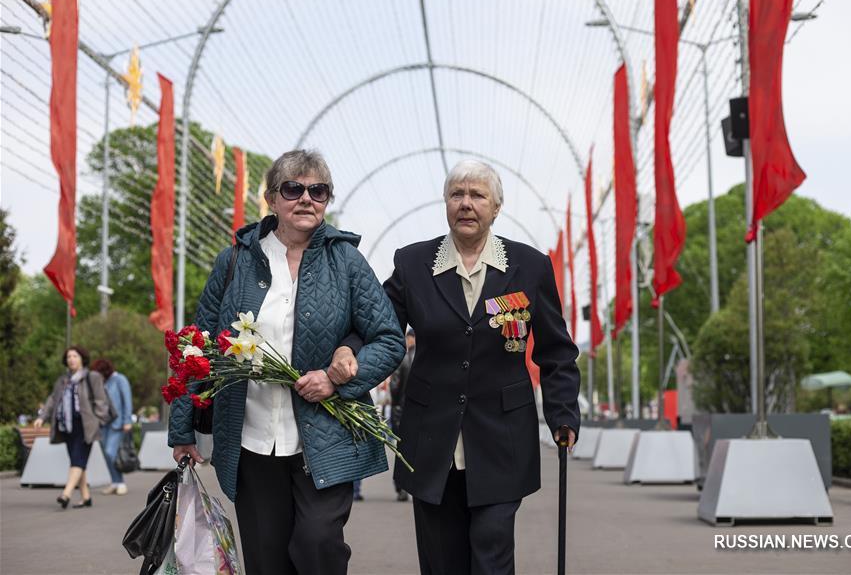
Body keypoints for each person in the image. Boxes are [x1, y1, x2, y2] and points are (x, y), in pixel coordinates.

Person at [168, 149, 405, 575]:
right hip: (252, 437)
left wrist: (338, 380)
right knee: (267, 559)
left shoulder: (346, 261)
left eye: (318, 190)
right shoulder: (235, 261)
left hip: (326, 433)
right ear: (271, 198)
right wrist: (183, 427)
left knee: (318, 545)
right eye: (293, 188)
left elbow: (388, 338)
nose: (306, 199)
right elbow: (198, 348)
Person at [382, 159, 580, 575]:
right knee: (441, 563)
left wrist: (563, 414)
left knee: (491, 557)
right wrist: (346, 357)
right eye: (457, 194)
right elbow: (377, 328)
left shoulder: (530, 266)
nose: (466, 204)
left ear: (496, 207)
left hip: (502, 439)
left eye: (477, 195)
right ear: (445, 203)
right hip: (430, 439)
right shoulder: (412, 264)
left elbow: (556, 351)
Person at [34, 346, 114, 509]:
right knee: (78, 461)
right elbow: (52, 400)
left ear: (82, 359)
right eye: (69, 356)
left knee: (77, 460)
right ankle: (86, 497)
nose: (71, 359)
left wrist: (98, 420)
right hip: (67, 426)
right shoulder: (63, 380)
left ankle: (66, 494)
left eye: (75, 356)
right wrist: (42, 417)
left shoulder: (93, 377)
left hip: (86, 425)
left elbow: (101, 400)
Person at [91, 359, 133, 495]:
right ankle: (114, 482)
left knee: (111, 453)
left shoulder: (120, 379)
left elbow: (127, 400)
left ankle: (120, 482)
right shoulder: (102, 382)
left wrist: (127, 420)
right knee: (107, 455)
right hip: (104, 424)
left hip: (118, 424)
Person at [389, 328, 415, 501]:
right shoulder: (426, 357)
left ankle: (401, 487)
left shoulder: (403, 359)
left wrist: (396, 403)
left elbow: (394, 386)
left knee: (401, 450)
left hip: (401, 410)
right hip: (419, 411)